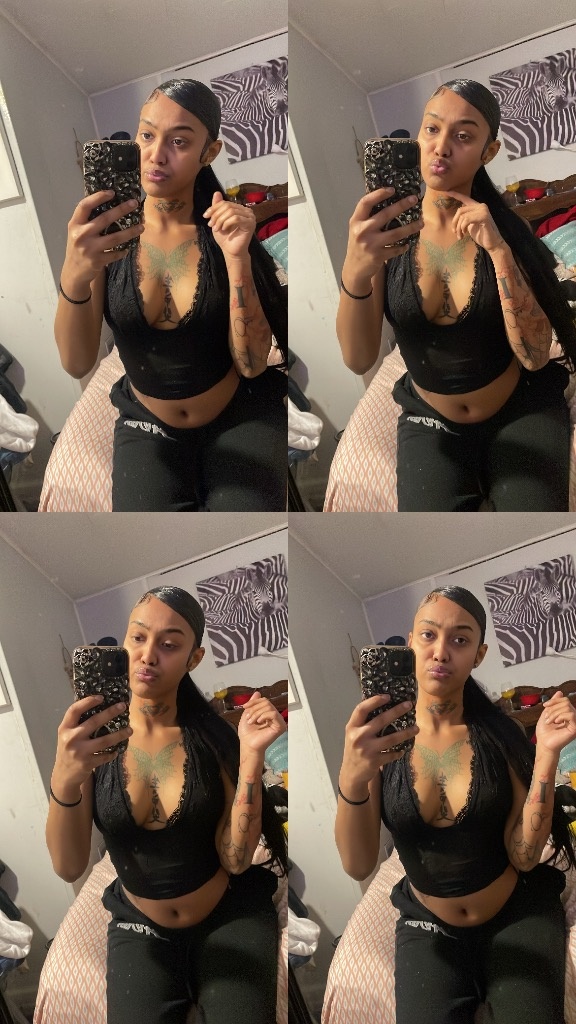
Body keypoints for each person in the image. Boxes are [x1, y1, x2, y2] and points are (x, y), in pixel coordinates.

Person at [335, 584, 576, 1024]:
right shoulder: (378, 743)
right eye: (428, 635)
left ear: (478, 655)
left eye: (460, 639)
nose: (441, 651)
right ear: (411, 643)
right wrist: (352, 776)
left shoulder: (502, 735)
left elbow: (525, 856)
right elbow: (358, 864)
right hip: (428, 927)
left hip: (517, 911)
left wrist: (546, 754)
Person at [46, 586, 287, 1024]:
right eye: (138, 638)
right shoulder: (91, 746)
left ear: (194, 659)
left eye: (170, 644)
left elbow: (236, 860)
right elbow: (68, 866)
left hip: (229, 913)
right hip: (140, 927)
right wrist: (64, 775)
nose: (148, 655)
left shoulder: (213, 739)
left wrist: (251, 756)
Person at [336, 79, 576, 511]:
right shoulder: (384, 236)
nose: (441, 146)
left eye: (463, 136)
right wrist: (355, 269)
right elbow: (358, 359)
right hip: (430, 420)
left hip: (521, 405)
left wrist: (498, 251)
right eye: (432, 129)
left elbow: (537, 353)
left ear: (488, 152)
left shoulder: (507, 230)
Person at [55, 79, 287, 511]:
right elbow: (77, 362)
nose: (156, 155)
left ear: (209, 152)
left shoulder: (222, 232)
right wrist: (74, 272)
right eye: (147, 135)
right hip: (147, 425)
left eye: (179, 141)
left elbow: (253, 364)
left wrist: (237, 258)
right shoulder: (107, 239)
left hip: (240, 411)